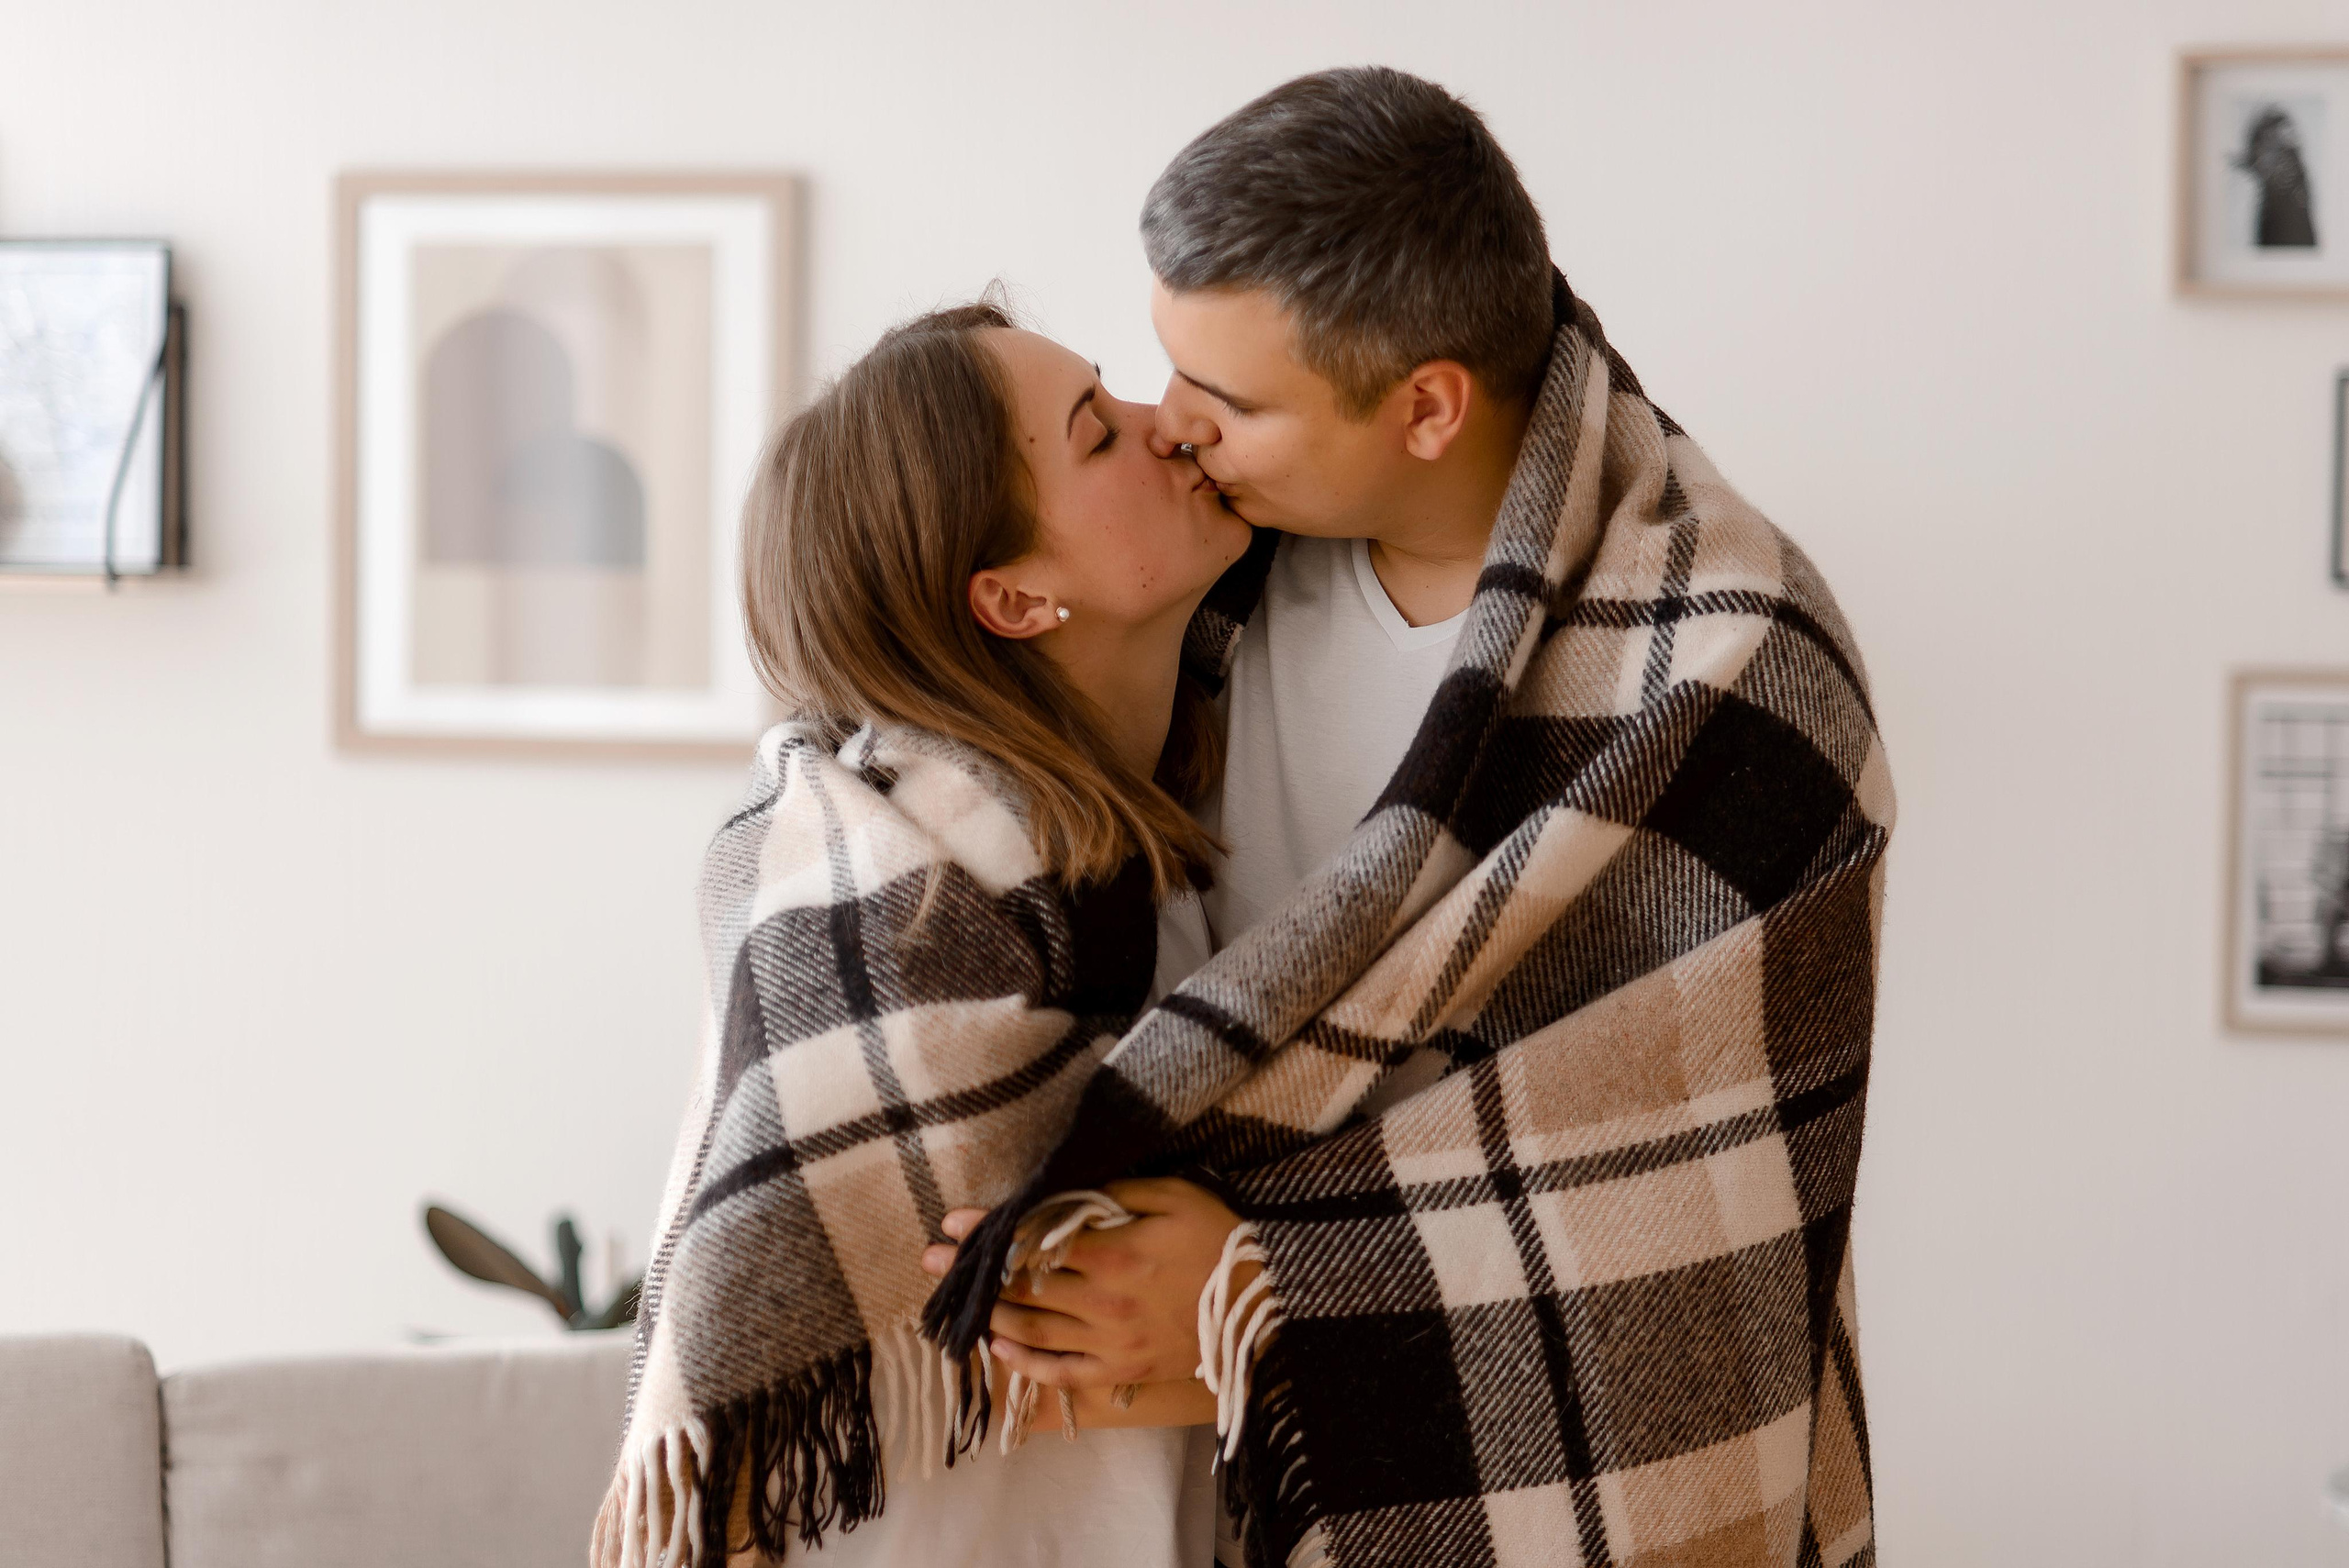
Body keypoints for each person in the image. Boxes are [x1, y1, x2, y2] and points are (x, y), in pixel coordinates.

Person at [921, 67, 1891, 1568]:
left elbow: (1709, 1210)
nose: (1168, 426)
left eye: (1224, 400)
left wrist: (1269, 1287)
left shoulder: (1725, 662)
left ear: (1427, 404)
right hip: (1173, 1471)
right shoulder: (1203, 576)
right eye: (1167, 367)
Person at [593, 299, 1252, 1568]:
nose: (1164, 424)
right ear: (1012, 596)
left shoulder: (1169, 856)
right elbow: (1050, 1331)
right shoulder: (915, 910)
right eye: (1096, 434)